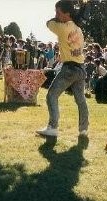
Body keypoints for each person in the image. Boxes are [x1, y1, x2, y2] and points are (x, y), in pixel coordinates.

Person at [36, 0, 89, 137]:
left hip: (69, 68)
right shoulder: (79, 30)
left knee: (51, 95)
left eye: (58, 12)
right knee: (80, 99)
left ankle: (53, 127)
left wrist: (56, 19)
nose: (56, 14)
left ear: (67, 13)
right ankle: (83, 129)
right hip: (81, 68)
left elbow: (48, 23)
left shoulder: (62, 28)